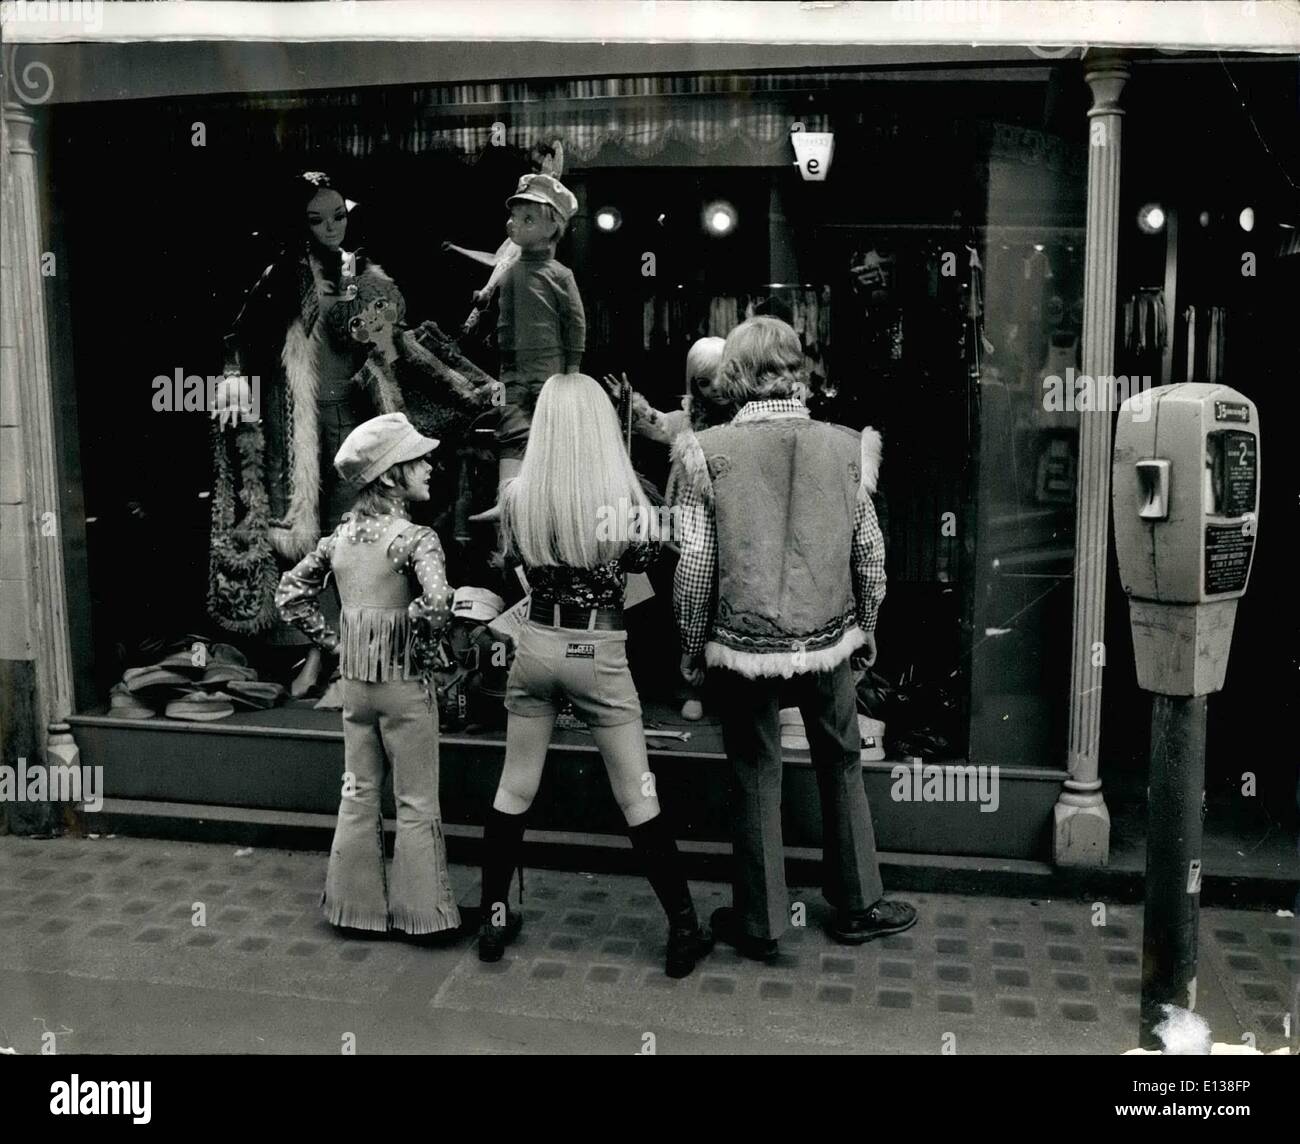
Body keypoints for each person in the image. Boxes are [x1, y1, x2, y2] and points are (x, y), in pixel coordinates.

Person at [672, 316, 916, 959]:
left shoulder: (707, 450)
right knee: (840, 763)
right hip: (829, 638)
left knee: (754, 773)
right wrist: (867, 625)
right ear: (799, 373)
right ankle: (858, 906)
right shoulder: (846, 447)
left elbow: (695, 568)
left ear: (735, 378)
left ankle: (762, 922)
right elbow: (870, 552)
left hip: (743, 647)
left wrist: (693, 647)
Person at [477, 373, 713, 978]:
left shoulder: (519, 494)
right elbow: (657, 556)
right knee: (637, 794)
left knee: (514, 788)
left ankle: (493, 919)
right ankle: (684, 929)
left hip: (536, 646)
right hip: (596, 650)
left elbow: (510, 561)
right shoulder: (622, 496)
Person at [276, 413, 461, 939]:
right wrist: (424, 648)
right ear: (388, 476)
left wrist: (336, 643)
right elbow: (438, 603)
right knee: (417, 799)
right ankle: (422, 917)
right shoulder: (414, 539)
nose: (428, 466)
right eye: (415, 460)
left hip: (355, 688)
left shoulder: (339, 539)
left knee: (357, 793)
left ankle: (353, 910)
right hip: (404, 688)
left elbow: (290, 594)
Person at [210, 170, 393, 697]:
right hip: (303, 426)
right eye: (317, 218)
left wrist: (373, 320)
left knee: (354, 541)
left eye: (338, 216)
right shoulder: (284, 276)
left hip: (354, 423)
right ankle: (320, 655)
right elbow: (240, 333)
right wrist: (231, 380)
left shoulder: (361, 274)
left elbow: (381, 343)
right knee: (313, 545)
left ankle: (344, 663)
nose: (331, 227)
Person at [601, 336, 732, 722]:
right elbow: (657, 424)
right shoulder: (689, 420)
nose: (714, 391)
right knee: (689, 605)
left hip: (728, 523)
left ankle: (722, 688)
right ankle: (693, 685)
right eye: (704, 383)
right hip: (687, 526)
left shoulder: (743, 420)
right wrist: (632, 404)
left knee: (724, 609)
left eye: (720, 380)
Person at [467, 173, 585, 523]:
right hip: (511, 368)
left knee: (550, 429)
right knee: (510, 424)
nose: (513, 224)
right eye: (514, 217)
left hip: (549, 366)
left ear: (553, 228)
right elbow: (499, 314)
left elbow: (575, 323)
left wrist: (573, 367)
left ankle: (551, 503)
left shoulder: (560, 275)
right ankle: (508, 498)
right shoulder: (511, 270)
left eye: (527, 219)